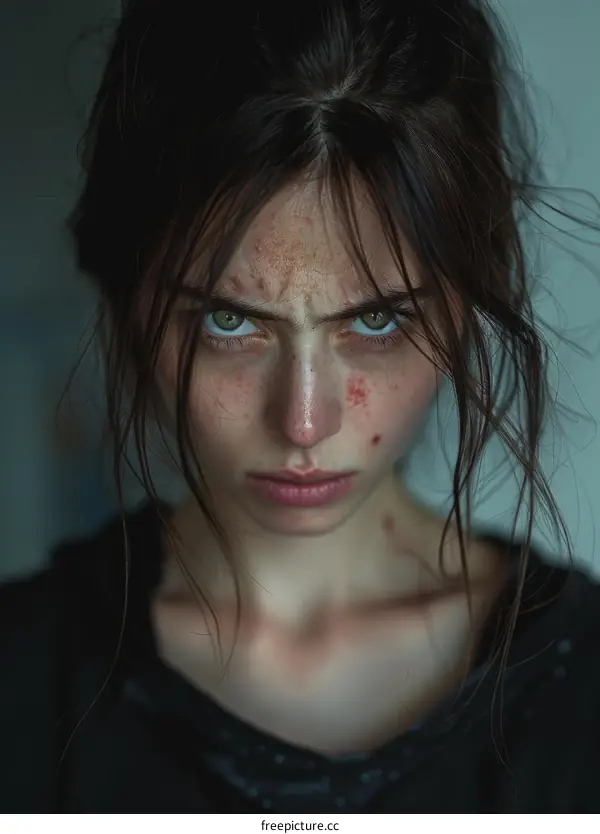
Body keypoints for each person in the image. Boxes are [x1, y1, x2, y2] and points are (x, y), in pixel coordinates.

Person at [1, 0, 600, 814]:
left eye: (378, 320)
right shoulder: (25, 681)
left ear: (468, 300)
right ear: (124, 293)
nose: (306, 423)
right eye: (229, 320)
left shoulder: (582, 694)